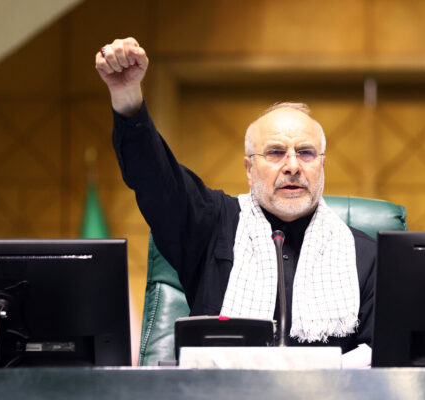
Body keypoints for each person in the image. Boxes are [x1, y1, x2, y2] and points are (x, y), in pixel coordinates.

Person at [96, 37, 376, 359]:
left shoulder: (365, 256)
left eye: (306, 153)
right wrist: (127, 96)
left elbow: (384, 360)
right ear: (249, 169)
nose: (292, 166)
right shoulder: (211, 225)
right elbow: (156, 178)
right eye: (275, 152)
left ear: (322, 166)